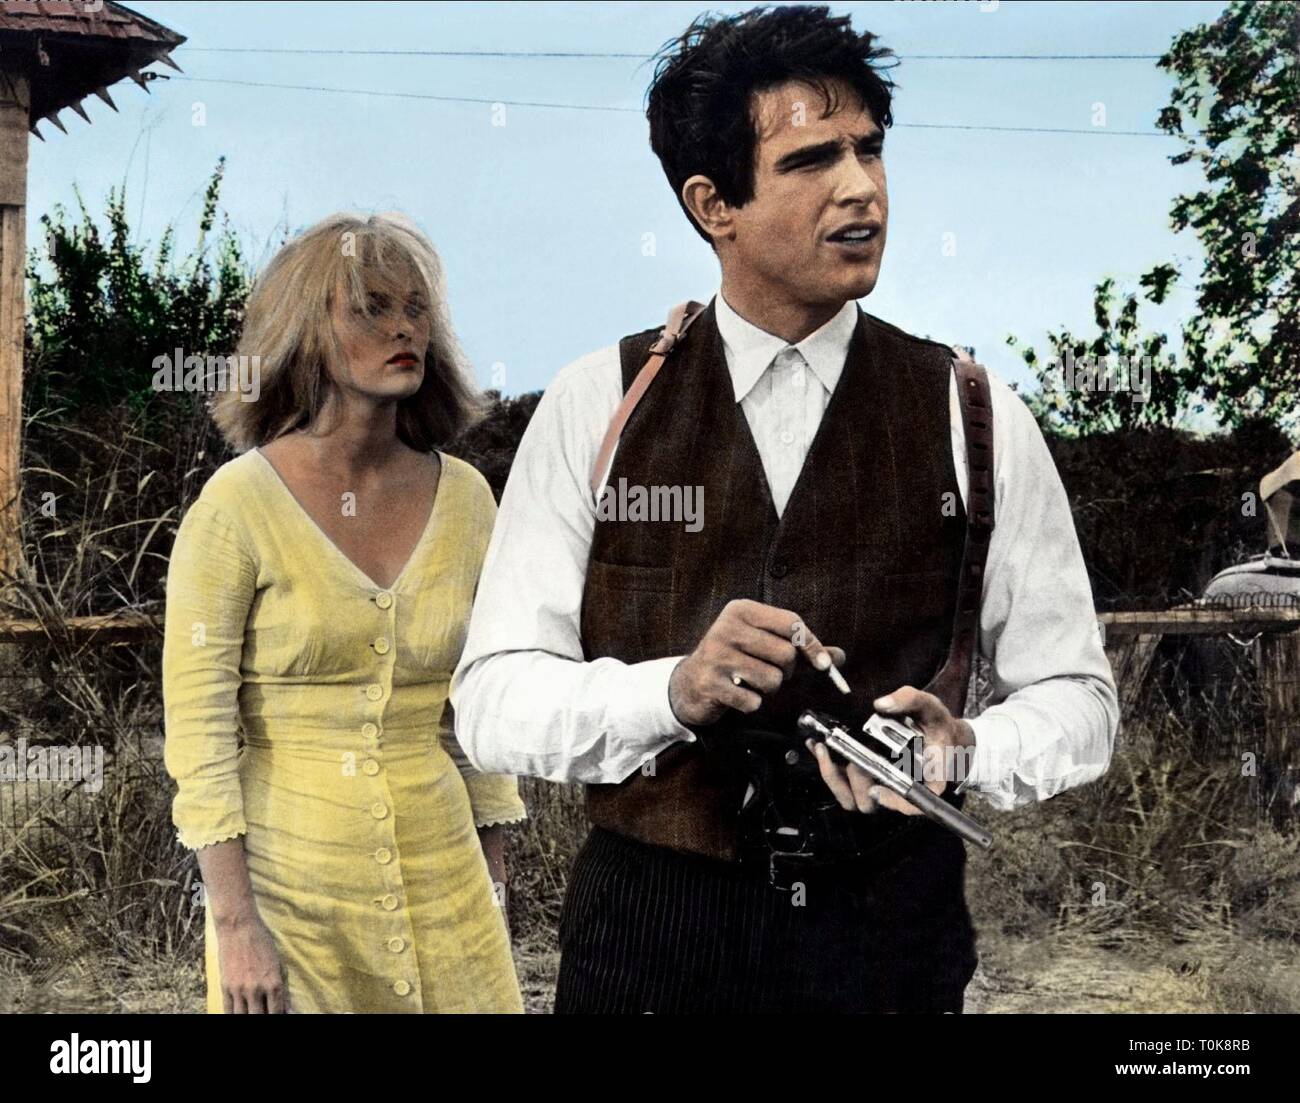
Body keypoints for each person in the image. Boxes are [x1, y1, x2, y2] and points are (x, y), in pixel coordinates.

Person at [451, 5, 1118, 1013]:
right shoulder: (598, 403)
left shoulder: (972, 410)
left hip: (888, 942)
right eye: (812, 160)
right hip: (648, 944)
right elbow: (493, 700)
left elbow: (1079, 699)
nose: (861, 187)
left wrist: (962, 749)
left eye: (870, 149)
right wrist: (669, 691)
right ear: (713, 201)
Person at [162, 212, 526, 1013]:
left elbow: (479, 709)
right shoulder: (237, 506)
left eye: (415, 307)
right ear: (307, 331)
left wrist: (492, 881)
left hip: (448, 890)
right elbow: (199, 733)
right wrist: (235, 925)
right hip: (293, 901)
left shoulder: (466, 500)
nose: (403, 327)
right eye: (369, 307)